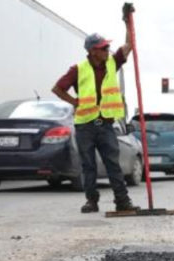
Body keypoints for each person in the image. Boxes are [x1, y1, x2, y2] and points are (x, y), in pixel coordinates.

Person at [52, 24, 138, 214]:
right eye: (104, 48)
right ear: (92, 51)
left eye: (108, 47)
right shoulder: (78, 69)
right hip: (85, 126)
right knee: (88, 165)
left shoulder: (111, 63)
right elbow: (57, 88)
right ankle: (91, 201)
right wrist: (74, 101)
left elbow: (128, 45)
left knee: (113, 164)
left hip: (106, 124)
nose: (108, 51)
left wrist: (126, 22)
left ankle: (122, 201)